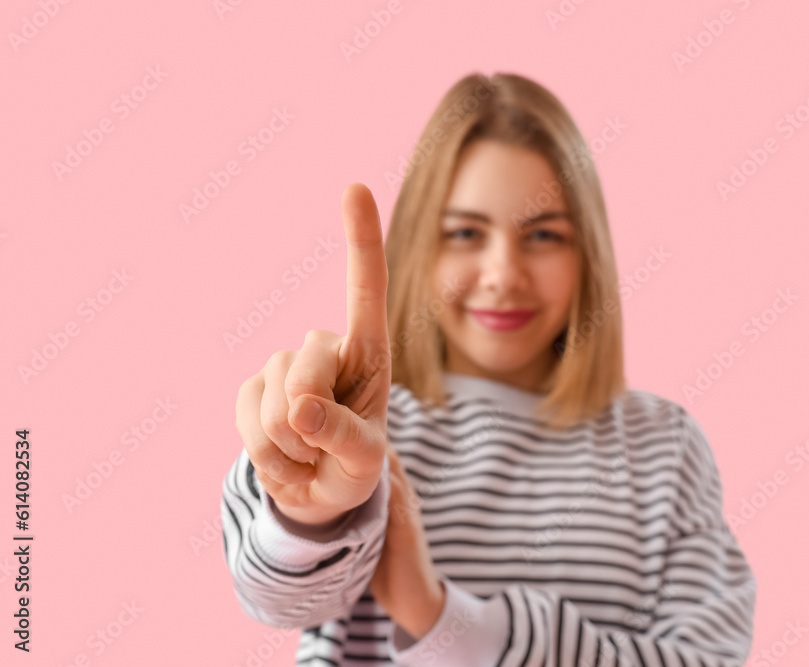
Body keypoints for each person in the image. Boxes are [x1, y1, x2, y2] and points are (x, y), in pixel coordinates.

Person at [221, 72, 756, 666]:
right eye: (466, 233)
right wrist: (308, 510)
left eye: (544, 234)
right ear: (421, 245)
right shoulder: (362, 424)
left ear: (589, 255)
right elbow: (276, 598)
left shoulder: (665, 446)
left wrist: (447, 622)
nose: (503, 274)